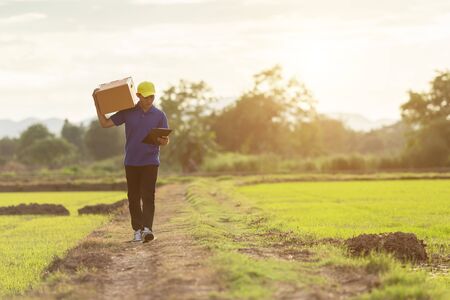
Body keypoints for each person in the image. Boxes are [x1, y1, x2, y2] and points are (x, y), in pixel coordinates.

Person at [93, 81, 169, 243]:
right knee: (133, 197)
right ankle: (137, 230)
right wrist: (96, 102)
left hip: (150, 161)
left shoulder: (159, 115)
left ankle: (148, 230)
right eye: (146, 96)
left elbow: (165, 140)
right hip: (132, 162)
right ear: (138, 95)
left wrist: (163, 141)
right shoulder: (127, 112)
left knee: (148, 196)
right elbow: (104, 123)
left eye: (152, 96)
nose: (149, 100)